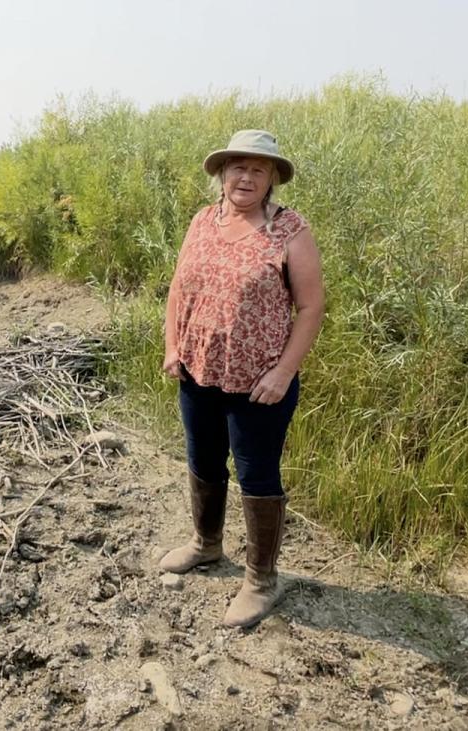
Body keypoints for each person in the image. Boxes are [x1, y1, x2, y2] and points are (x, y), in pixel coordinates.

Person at [159, 129, 325, 628]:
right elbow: (177, 288)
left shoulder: (289, 230)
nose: (246, 176)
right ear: (222, 173)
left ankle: (260, 581)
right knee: (203, 459)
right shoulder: (202, 221)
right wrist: (173, 346)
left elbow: (312, 306)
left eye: (258, 168)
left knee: (257, 474)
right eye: (238, 166)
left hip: (260, 382)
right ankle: (206, 544)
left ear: (272, 178)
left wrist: (283, 371)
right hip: (198, 370)